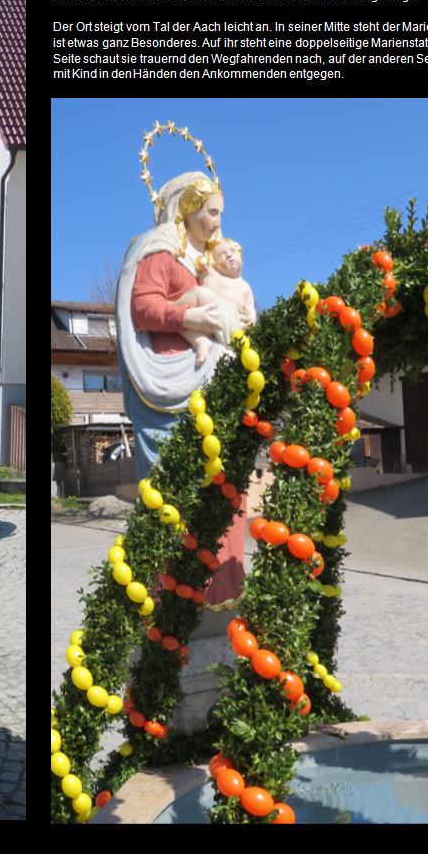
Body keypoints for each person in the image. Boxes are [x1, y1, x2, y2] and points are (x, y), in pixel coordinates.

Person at [116, 171, 248, 604]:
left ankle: (223, 588)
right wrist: (192, 319)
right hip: (172, 382)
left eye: (220, 214)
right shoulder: (161, 253)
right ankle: (176, 593)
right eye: (212, 213)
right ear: (188, 211)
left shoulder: (203, 265)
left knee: (223, 481)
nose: (217, 223)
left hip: (208, 379)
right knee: (180, 492)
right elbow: (143, 307)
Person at [176, 238, 257, 368]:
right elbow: (208, 291)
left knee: (194, 298)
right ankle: (200, 341)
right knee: (178, 318)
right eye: (222, 255)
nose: (229, 255)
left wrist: (252, 316)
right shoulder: (216, 277)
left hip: (232, 326)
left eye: (232, 251)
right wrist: (207, 275)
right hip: (212, 318)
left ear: (240, 254)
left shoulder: (245, 286)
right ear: (215, 263)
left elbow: (250, 308)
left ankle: (170, 309)